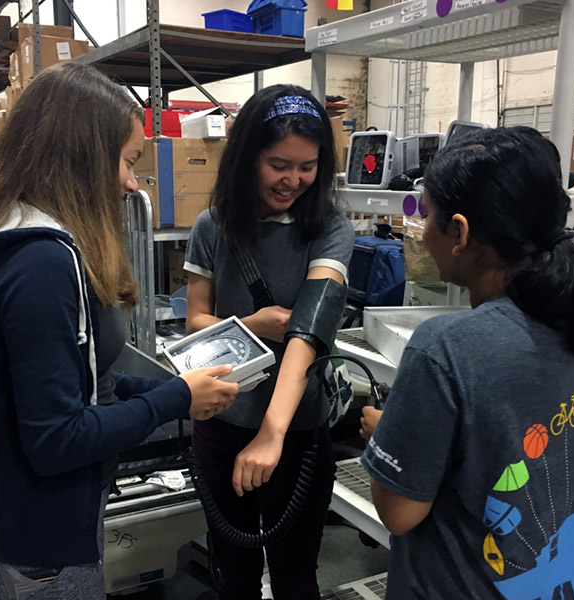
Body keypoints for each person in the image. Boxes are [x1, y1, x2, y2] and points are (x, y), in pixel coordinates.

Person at [0, 62, 239, 599]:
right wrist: (174, 400)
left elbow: (83, 380)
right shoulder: (41, 265)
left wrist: (167, 391)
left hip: (37, 519)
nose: (133, 182)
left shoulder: (17, 230)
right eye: (129, 161)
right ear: (83, 158)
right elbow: (56, 440)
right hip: (35, 541)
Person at [361, 126, 574, 600]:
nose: (422, 231)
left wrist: (387, 433)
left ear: (459, 232)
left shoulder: (445, 347)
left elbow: (400, 512)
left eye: (428, 217)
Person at [184, 84, 354, 599]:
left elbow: (311, 331)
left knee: (295, 571)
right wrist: (251, 325)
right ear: (247, 157)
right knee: (232, 569)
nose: (293, 180)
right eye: (279, 164)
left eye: (307, 166)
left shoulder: (329, 230)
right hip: (222, 421)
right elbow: (195, 321)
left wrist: (274, 433)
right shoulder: (213, 227)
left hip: (298, 432)